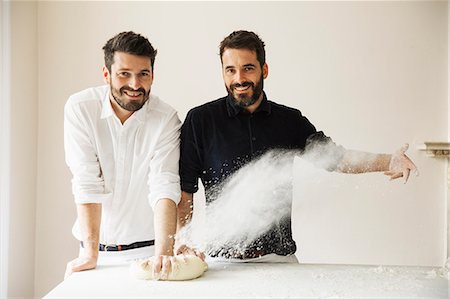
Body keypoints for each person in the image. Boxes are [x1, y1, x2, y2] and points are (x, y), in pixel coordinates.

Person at [177, 30, 418, 262]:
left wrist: (389, 160)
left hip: (279, 261)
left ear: (264, 70)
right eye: (230, 70)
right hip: (220, 263)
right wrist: (184, 240)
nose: (239, 79)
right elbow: (185, 189)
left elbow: (335, 158)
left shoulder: (289, 121)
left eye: (248, 68)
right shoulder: (200, 121)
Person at [64, 31, 180, 279]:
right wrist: (90, 255)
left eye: (143, 74)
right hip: (95, 255)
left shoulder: (166, 118)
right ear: (106, 75)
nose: (135, 85)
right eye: (124, 74)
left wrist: (164, 254)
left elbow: (164, 184)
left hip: (150, 253)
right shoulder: (80, 108)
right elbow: (86, 180)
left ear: (152, 75)